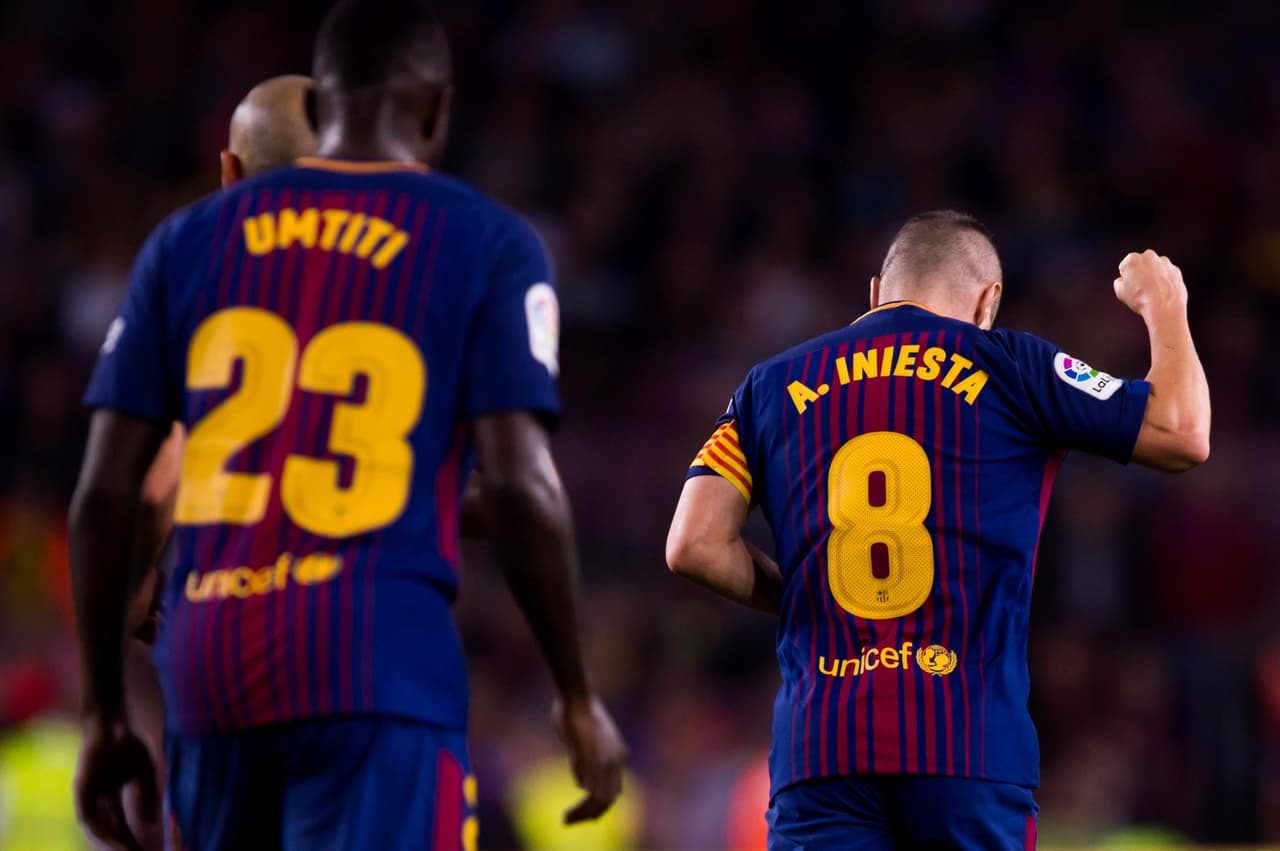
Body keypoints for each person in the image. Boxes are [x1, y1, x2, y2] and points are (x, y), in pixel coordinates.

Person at [69, 1, 626, 849]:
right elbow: (517, 484)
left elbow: (110, 491)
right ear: (437, 110)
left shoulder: (185, 244)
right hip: (374, 663)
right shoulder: (482, 241)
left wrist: (105, 707)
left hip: (210, 660)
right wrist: (576, 692)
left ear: (324, 108)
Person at [665, 210, 1210, 849]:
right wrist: (1165, 305)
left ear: (876, 293)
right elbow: (1182, 434)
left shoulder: (770, 384)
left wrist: (814, 596)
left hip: (820, 751)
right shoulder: (1010, 364)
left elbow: (693, 545)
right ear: (988, 301)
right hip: (967, 747)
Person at [112, 73, 321, 851]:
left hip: (221, 652)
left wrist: (136, 587)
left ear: (230, 171)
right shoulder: (405, 276)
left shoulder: (195, 275)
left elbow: (156, 477)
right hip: (365, 657)